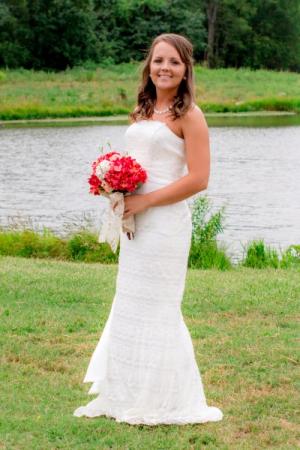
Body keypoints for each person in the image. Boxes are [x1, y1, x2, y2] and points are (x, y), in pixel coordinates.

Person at [73, 33, 223, 425]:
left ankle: (161, 400)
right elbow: (139, 162)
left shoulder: (190, 114)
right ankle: (125, 393)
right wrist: (116, 187)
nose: (164, 68)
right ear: (149, 66)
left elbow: (200, 178)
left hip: (166, 223)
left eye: (173, 62)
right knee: (131, 300)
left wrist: (147, 201)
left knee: (159, 306)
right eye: (158, 61)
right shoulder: (142, 111)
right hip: (134, 220)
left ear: (186, 69)